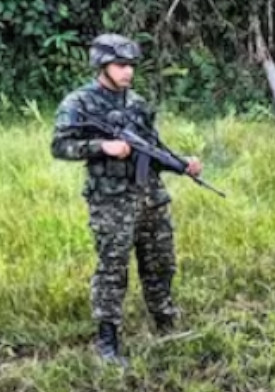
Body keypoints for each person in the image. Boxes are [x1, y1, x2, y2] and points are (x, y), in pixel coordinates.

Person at [50, 33, 202, 363]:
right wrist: (101, 146)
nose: (128, 71)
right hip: (111, 201)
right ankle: (108, 342)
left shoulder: (137, 103)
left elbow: (154, 148)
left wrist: (182, 164)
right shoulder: (79, 103)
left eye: (131, 65)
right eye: (120, 65)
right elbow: (59, 146)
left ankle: (165, 322)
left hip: (150, 196)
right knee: (113, 268)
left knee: (161, 262)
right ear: (102, 65)